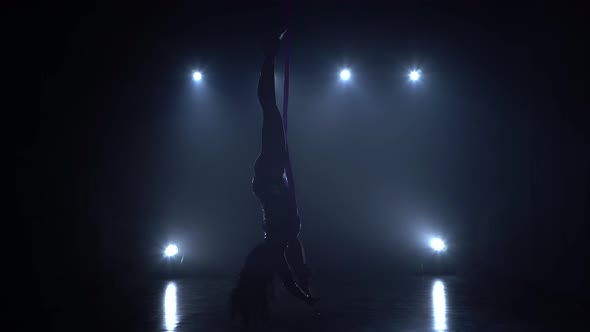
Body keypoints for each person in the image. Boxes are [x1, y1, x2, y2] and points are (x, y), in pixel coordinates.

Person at [231, 32, 318, 327]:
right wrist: (306, 296)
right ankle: (268, 56)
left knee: (270, 111)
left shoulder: (278, 245)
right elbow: (291, 280)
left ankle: (268, 56)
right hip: (272, 178)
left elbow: (290, 272)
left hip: (269, 177)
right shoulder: (284, 243)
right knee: (271, 112)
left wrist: (304, 287)